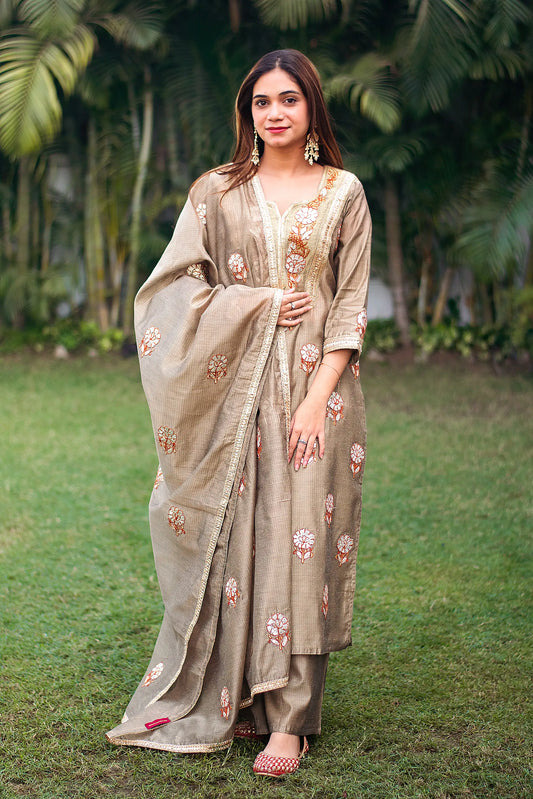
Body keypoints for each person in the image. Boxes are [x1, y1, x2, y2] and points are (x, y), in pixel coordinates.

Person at [106, 48, 371, 777]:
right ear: (247, 112)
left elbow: (349, 306)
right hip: (235, 393)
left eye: (289, 99)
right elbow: (171, 290)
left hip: (319, 392)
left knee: (301, 540)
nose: (275, 112)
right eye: (262, 101)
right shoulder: (217, 191)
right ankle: (244, 694)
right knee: (241, 537)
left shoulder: (343, 191)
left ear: (311, 107)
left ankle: (291, 720)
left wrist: (316, 401)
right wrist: (253, 303)